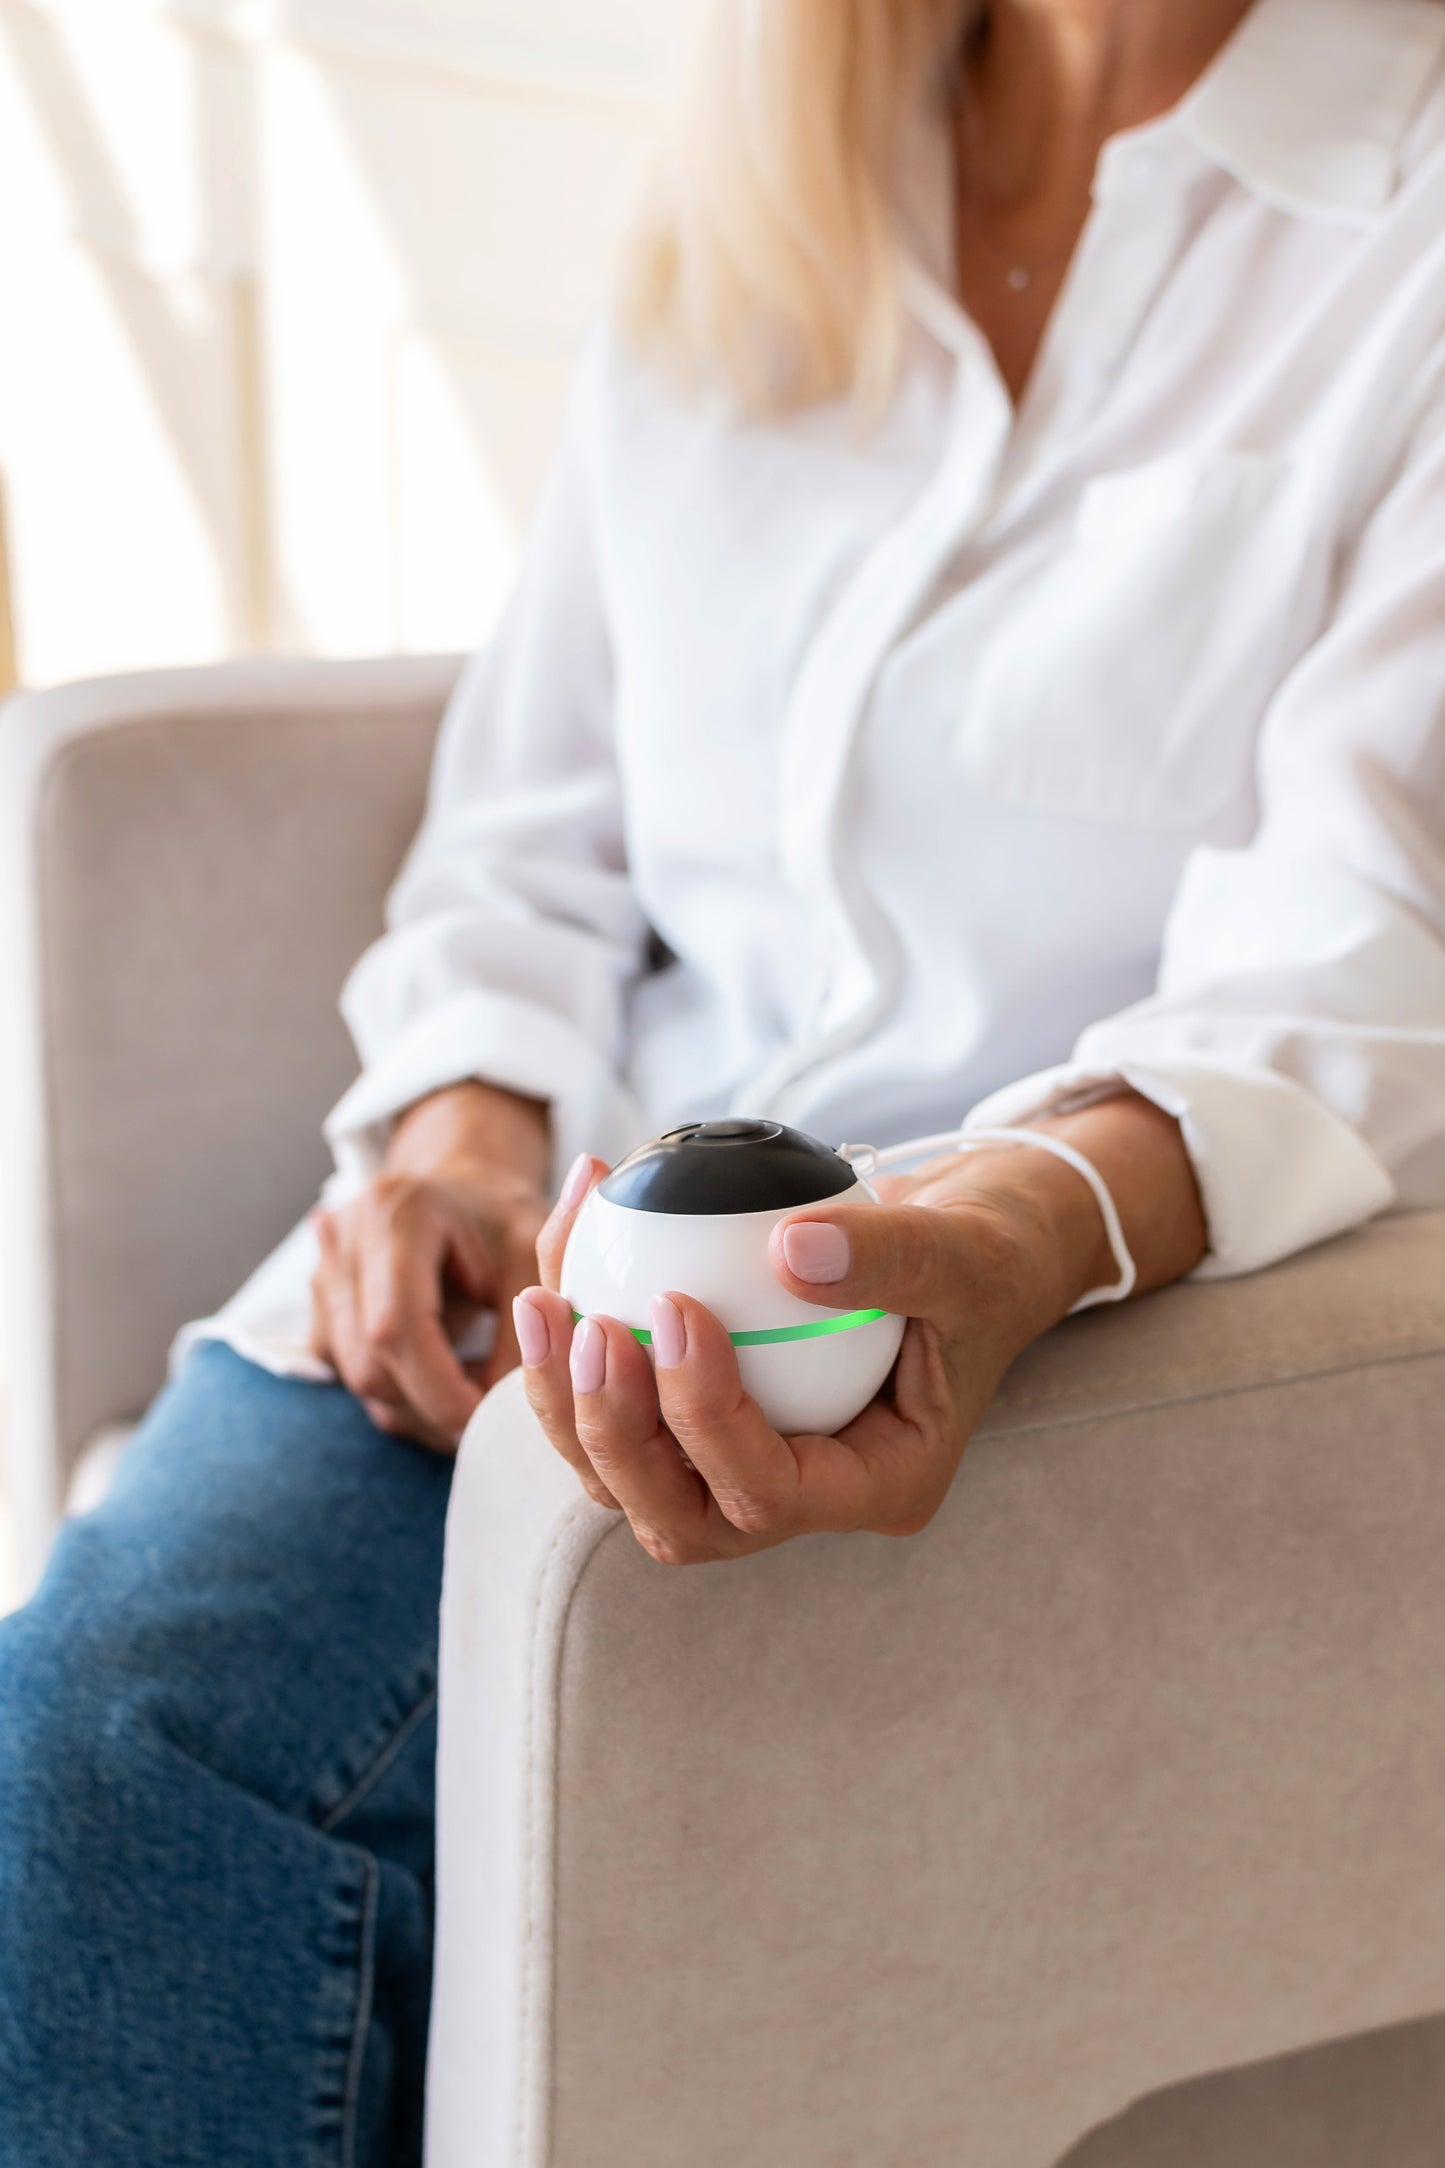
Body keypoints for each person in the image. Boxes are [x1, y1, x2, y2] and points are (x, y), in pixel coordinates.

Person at [4, 0, 1445, 2159]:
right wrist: (462, 1138)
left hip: (1003, 1352)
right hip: (536, 1292)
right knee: (93, 1743)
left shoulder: (1409, 231)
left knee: (144, 1768)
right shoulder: (775, 172)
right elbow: (529, 837)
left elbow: (1361, 954)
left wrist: (1005, 1236)